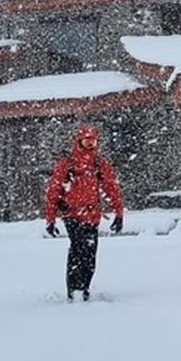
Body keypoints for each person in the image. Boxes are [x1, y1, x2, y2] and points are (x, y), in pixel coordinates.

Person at [44, 124, 125, 301]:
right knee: (78, 249)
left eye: (93, 141)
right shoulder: (67, 164)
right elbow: (54, 191)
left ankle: (85, 288)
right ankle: (74, 290)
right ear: (79, 141)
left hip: (92, 216)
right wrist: (50, 219)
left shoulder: (99, 164)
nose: (90, 145)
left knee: (90, 254)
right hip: (72, 215)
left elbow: (112, 188)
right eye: (86, 141)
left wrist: (119, 213)